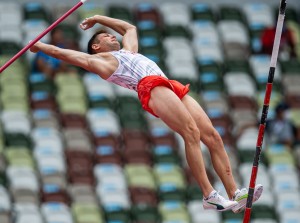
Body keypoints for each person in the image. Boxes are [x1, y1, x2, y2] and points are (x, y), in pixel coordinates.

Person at [30, 15, 263, 212]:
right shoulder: (99, 62)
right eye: (104, 36)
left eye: (110, 34)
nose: (112, 35)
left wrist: (98, 19)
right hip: (150, 88)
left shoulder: (129, 51)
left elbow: (129, 28)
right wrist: (37, 46)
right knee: (191, 132)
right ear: (96, 47)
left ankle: (235, 193)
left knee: (212, 136)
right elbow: (62, 53)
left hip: (168, 84)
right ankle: (208, 194)